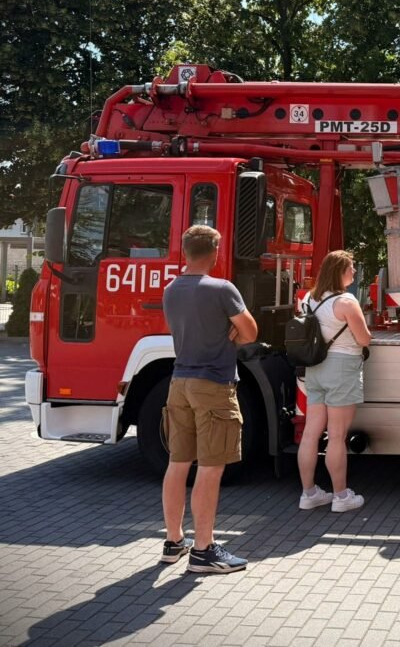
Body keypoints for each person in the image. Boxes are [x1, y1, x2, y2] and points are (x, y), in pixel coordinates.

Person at [161, 225, 257, 573]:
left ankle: (174, 541)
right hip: (214, 385)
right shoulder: (222, 289)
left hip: (179, 383)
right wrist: (230, 332)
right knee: (211, 467)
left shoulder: (171, 289)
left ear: (186, 251)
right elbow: (250, 332)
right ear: (215, 252)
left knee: (177, 463)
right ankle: (203, 550)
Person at [297, 250, 373, 513]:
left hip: (315, 368)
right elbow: (364, 339)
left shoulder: (309, 298)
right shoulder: (346, 302)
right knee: (337, 436)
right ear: (340, 271)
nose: (354, 272)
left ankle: (309, 494)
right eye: (351, 268)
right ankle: (341, 497)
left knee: (311, 433)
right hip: (341, 368)